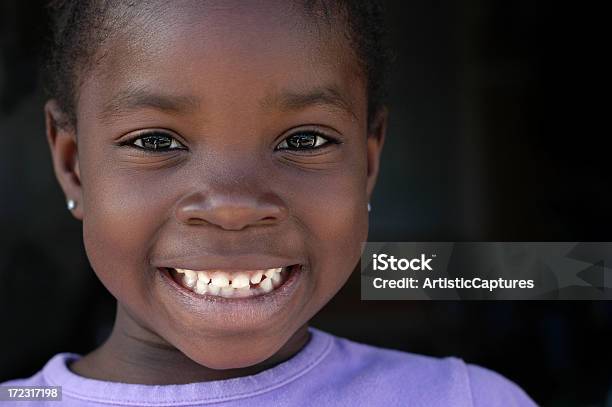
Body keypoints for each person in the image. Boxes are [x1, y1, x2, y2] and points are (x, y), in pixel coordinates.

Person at [2, 1, 536, 405]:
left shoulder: (462, 399)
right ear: (73, 164)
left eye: (304, 140)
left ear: (368, 163)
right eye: (155, 141)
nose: (233, 207)